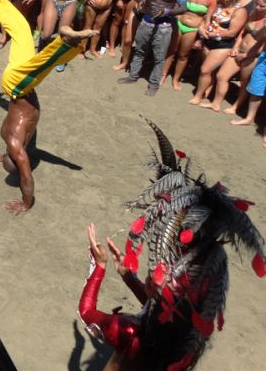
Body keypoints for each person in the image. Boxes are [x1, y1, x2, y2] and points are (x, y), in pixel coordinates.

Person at [80, 121, 266, 371]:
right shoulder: (187, 343)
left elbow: (86, 312)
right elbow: (163, 311)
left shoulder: (128, 332)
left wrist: (99, 264)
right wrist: (128, 277)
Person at [0, 0, 96, 214]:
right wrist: (6, 156)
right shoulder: (10, 138)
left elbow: (27, 178)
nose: (23, 159)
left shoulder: (15, 142)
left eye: (18, 159)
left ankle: (67, 40)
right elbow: (14, 150)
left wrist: (26, 202)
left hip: (17, 85)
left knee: (43, 64)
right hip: (16, 83)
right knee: (21, 31)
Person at [118, 0, 186, 96]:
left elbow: (183, 8)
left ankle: (154, 84)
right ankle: (133, 76)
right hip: (147, 20)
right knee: (139, 50)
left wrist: (168, 11)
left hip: (163, 25)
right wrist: (142, 0)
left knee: (159, 57)